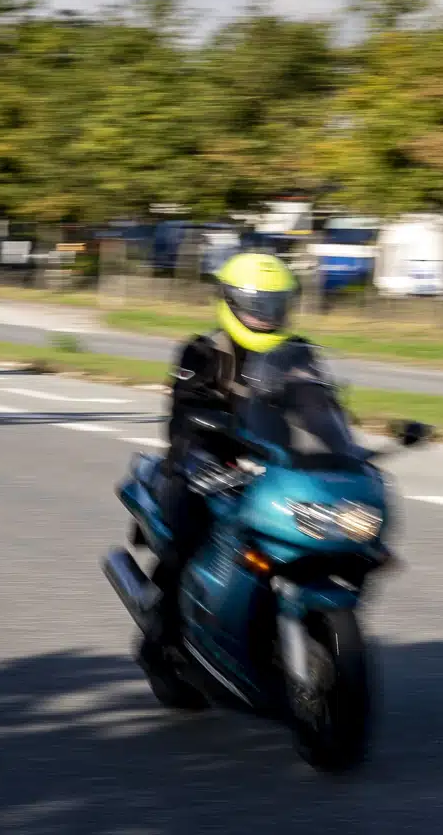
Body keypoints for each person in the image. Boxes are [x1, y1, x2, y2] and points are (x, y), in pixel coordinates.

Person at [143, 250, 302, 646]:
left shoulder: (299, 354)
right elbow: (185, 411)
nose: (266, 316)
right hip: (201, 466)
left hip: (274, 466)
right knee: (187, 533)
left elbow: (321, 406)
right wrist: (211, 428)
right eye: (257, 306)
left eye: (275, 306)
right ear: (230, 303)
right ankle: (164, 631)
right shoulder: (201, 351)